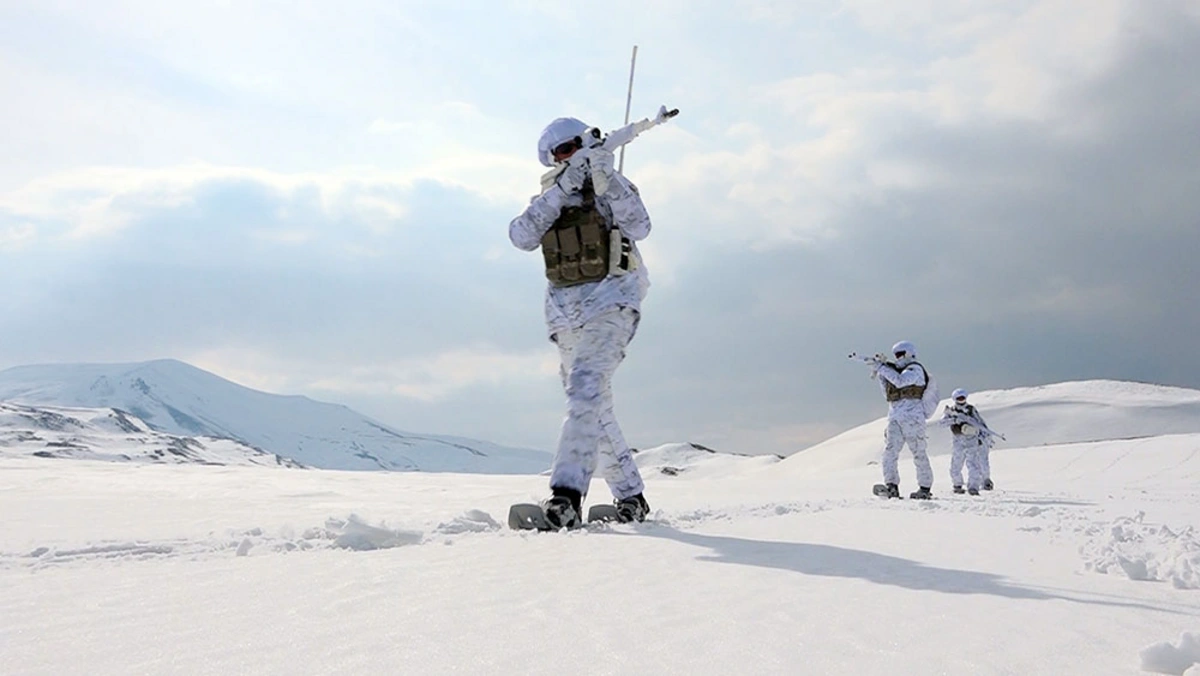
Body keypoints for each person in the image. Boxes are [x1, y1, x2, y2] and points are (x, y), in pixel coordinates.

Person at [507, 115, 662, 528]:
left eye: (578, 144)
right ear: (552, 159)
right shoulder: (551, 194)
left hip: (612, 300)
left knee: (585, 389)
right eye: (563, 151)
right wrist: (563, 189)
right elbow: (521, 236)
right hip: (565, 314)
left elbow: (641, 227)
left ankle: (566, 497)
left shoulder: (609, 182)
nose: (573, 154)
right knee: (595, 405)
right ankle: (631, 498)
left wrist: (606, 179)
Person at [874, 340, 935, 499]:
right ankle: (891, 486)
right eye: (896, 355)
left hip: (912, 417)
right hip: (895, 416)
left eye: (900, 354)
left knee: (918, 453)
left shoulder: (915, 370)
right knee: (889, 452)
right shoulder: (896, 372)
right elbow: (888, 394)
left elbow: (901, 382)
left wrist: (882, 368)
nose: (898, 358)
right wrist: (881, 373)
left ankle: (924, 488)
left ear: (909, 353)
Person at [938, 388, 997, 494]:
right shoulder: (951, 410)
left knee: (973, 465)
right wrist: (954, 420)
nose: (961, 400)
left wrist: (983, 436)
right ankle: (957, 485)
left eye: (962, 398)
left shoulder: (971, 410)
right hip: (958, 441)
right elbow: (941, 423)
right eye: (959, 398)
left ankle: (973, 487)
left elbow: (980, 423)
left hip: (971, 441)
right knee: (956, 465)